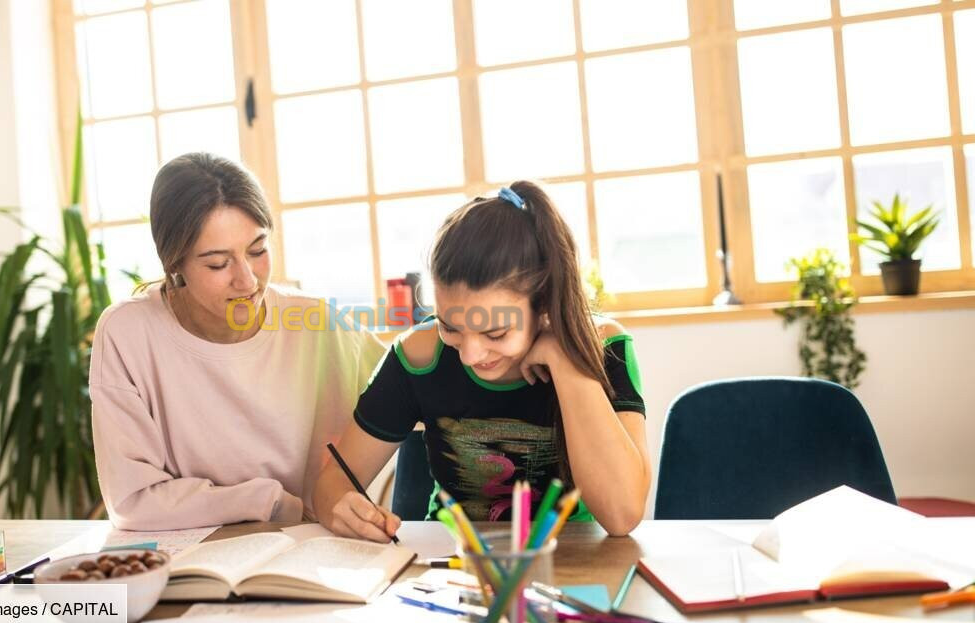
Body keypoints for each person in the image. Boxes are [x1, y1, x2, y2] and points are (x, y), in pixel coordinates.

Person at [313, 181, 649, 540]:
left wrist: (563, 358)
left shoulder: (604, 347)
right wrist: (341, 507)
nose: (470, 355)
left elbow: (621, 514)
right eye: (450, 327)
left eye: (496, 333)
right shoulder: (418, 355)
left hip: (573, 561)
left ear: (546, 304)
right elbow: (331, 483)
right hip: (453, 563)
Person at [90, 153, 385, 530]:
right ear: (174, 263)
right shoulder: (127, 333)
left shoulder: (319, 324)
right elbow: (133, 501)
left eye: (258, 251)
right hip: (193, 557)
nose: (247, 281)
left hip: (313, 550)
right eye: (217, 263)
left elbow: (417, 386)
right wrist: (272, 502)